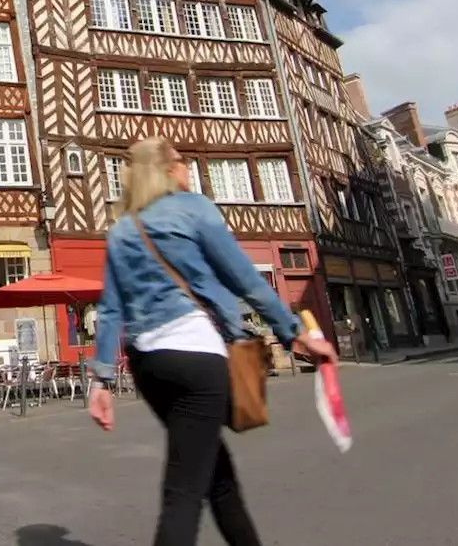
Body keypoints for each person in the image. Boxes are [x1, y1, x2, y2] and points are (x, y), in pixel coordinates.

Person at [87, 138, 336, 546]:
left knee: (215, 476)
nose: (189, 171)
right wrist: (292, 333)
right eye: (184, 162)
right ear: (168, 169)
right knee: (183, 493)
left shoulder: (122, 230)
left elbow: (111, 309)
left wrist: (101, 381)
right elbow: (245, 279)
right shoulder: (194, 208)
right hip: (197, 358)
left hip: (148, 366)